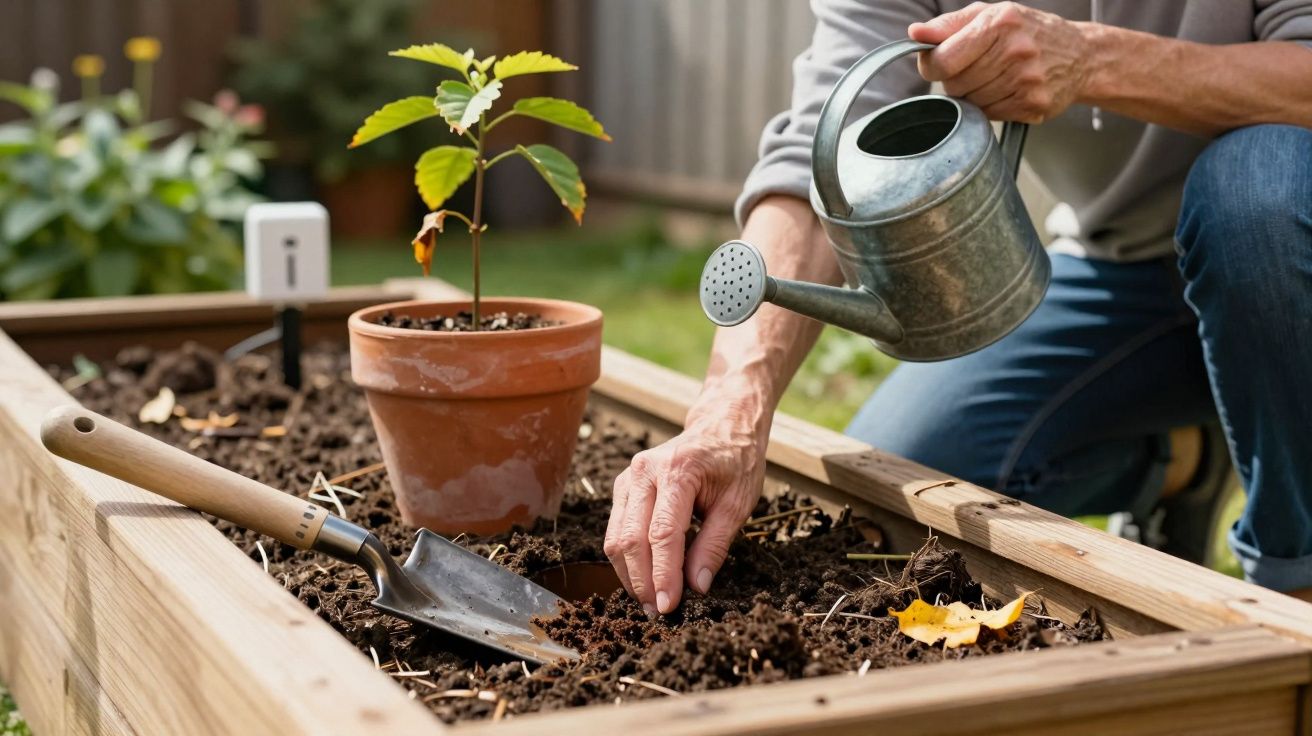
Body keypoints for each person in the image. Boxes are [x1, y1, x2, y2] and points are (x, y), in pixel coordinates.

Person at [604, 0, 1312, 615]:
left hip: (1287, 243)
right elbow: (818, 158)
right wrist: (729, 413)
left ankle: (1293, 592)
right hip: (1122, 265)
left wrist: (1092, 60)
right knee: (909, 489)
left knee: (1254, 192)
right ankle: (1183, 461)